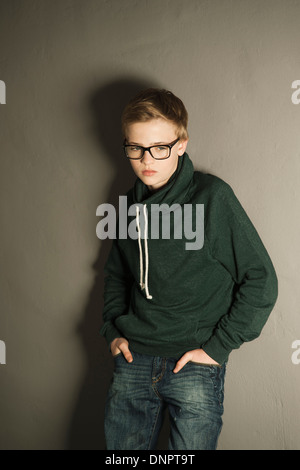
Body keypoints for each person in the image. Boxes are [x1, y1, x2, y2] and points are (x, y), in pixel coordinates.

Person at [100, 88, 278, 450]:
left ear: (181, 144)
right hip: (134, 359)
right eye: (135, 148)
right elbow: (117, 274)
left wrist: (218, 348)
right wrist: (111, 330)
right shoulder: (127, 205)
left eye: (159, 148)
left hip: (193, 363)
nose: (146, 160)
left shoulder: (212, 198)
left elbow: (261, 280)